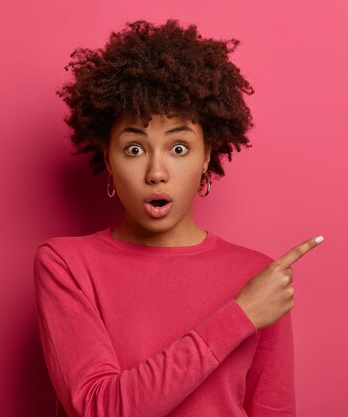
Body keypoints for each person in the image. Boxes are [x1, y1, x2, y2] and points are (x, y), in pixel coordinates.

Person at [32, 19, 324, 417]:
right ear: (107, 159)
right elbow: (100, 408)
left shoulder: (259, 278)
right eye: (134, 149)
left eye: (179, 148)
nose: (156, 172)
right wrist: (240, 316)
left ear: (206, 156)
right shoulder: (67, 264)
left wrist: (255, 304)